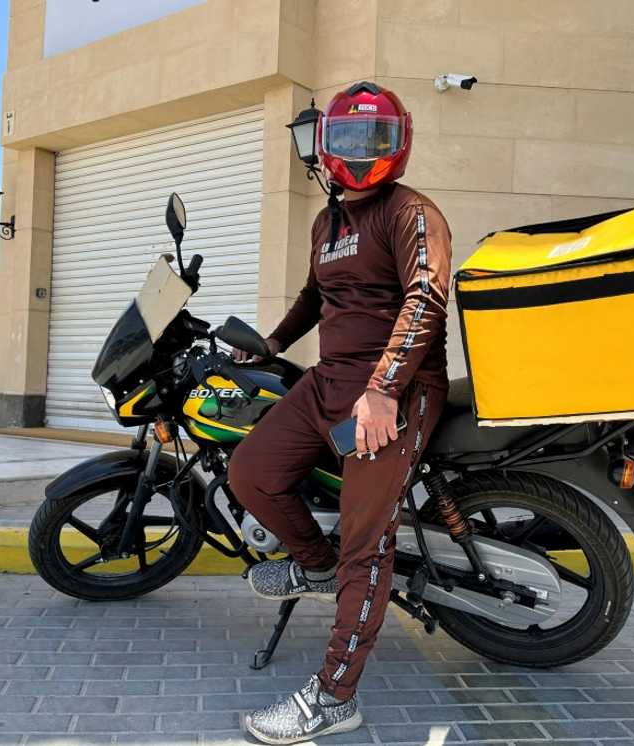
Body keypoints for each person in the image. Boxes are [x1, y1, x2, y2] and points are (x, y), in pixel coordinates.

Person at [228, 81, 453, 744]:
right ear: (327, 149)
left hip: (397, 389)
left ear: (399, 143)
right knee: (252, 471)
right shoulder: (326, 223)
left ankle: (334, 696)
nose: (360, 153)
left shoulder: (412, 212)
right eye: (348, 140)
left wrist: (384, 388)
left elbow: (426, 301)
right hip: (330, 380)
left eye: (374, 139)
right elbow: (311, 299)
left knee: (368, 543)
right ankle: (315, 564)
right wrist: (270, 344)